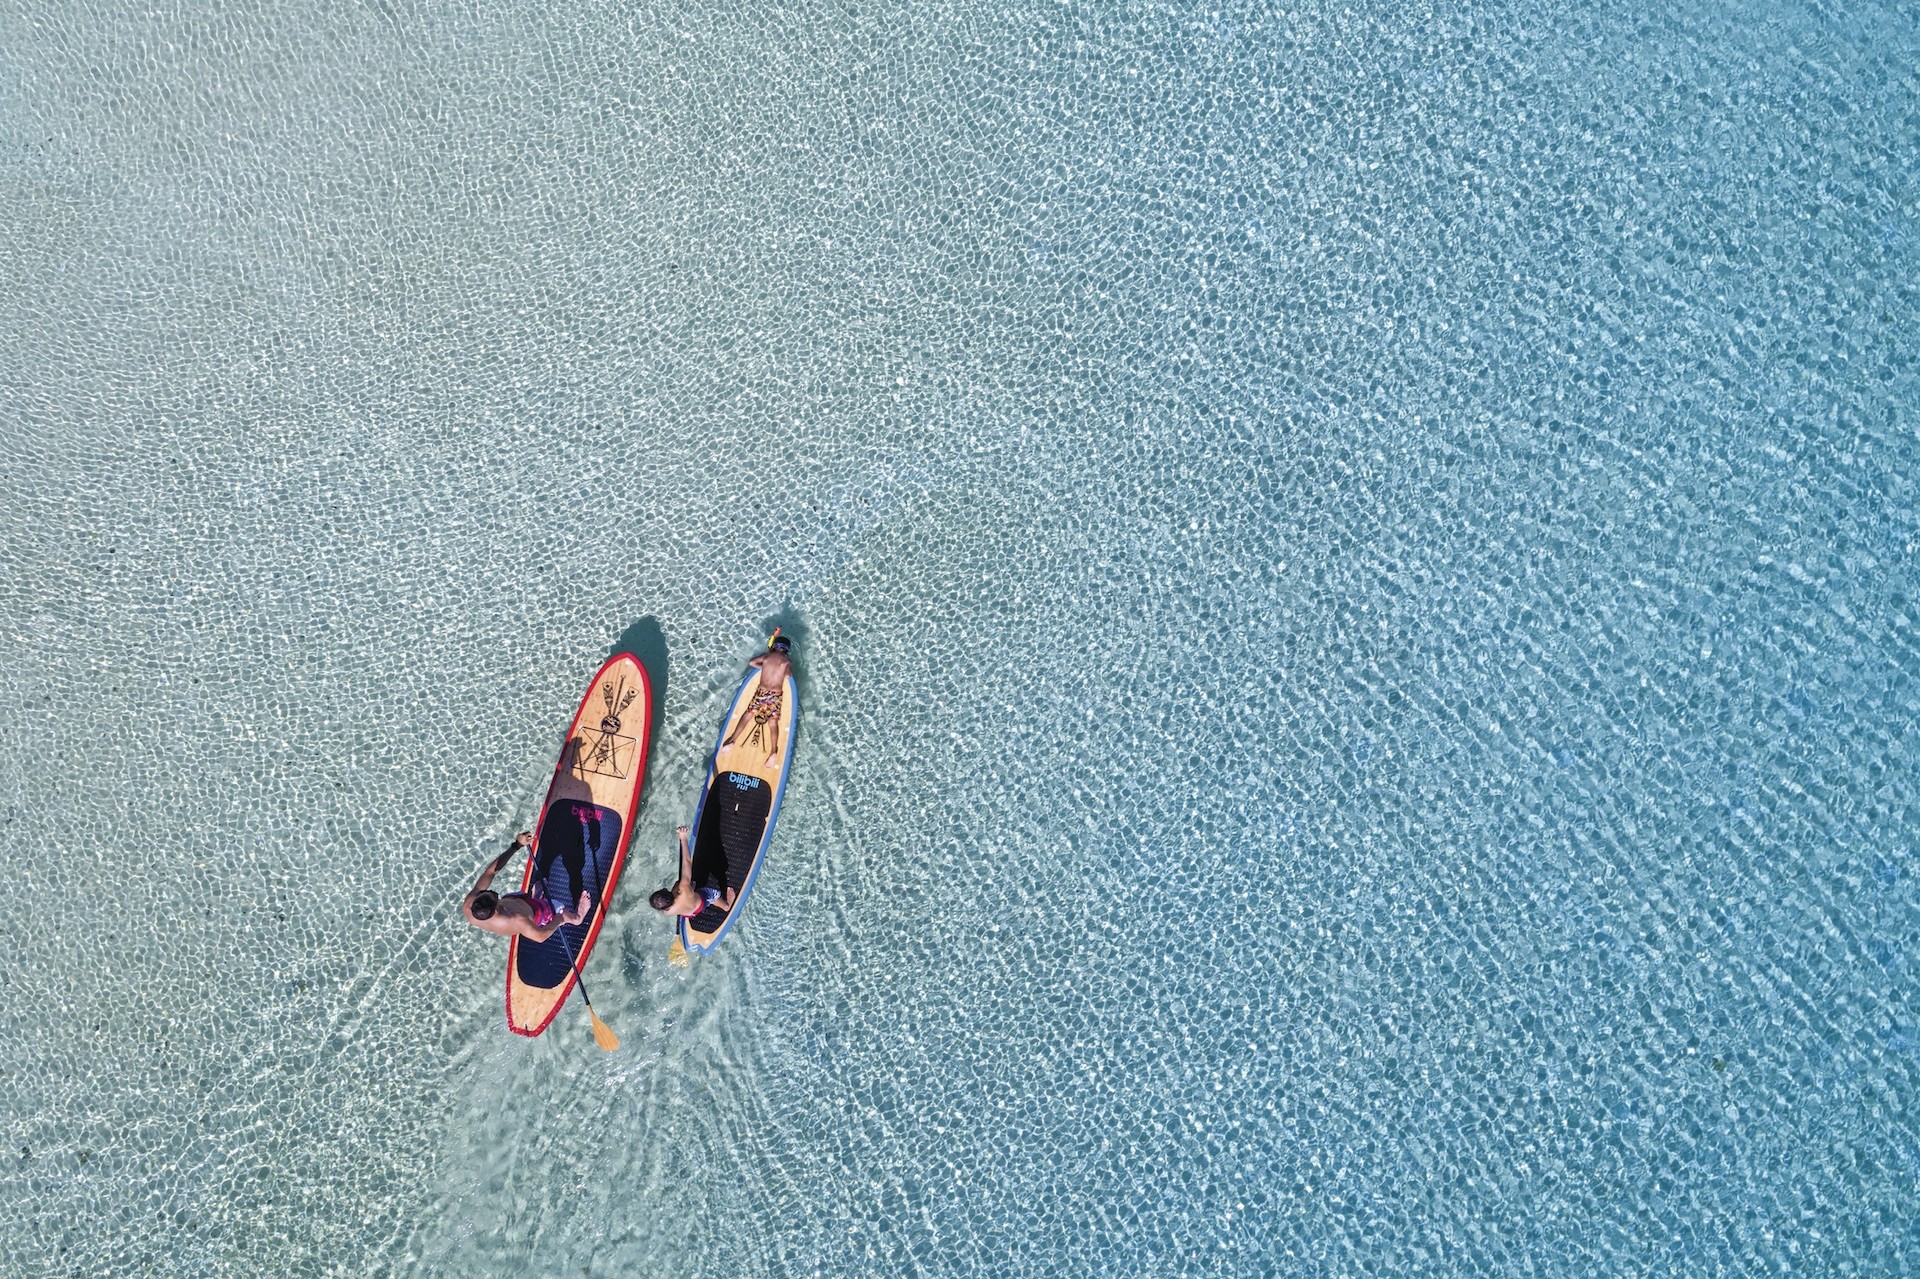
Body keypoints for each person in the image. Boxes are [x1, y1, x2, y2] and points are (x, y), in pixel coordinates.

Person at [463, 831, 592, 941]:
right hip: (536, 912)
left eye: (487, 891)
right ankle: (576, 918)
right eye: (494, 895)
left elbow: (491, 872)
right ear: (496, 909)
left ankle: (534, 898)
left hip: (514, 902)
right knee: (560, 911)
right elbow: (540, 937)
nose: (493, 891)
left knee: (515, 897)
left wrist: (516, 846)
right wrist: (558, 920)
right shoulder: (516, 919)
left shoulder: (469, 905)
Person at [722, 634, 794, 765]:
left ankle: (732, 740)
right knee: (773, 722)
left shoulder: (766, 656)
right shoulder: (786, 661)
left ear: (774, 647)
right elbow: (788, 676)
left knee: (748, 715)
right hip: (775, 695)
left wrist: (765, 666)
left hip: (761, 692)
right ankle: (773, 751)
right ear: (786, 650)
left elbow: (751, 662)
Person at [649, 825, 735, 917]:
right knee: (712, 896)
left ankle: (692, 889)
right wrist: (683, 838)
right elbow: (687, 862)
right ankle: (726, 906)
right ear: (665, 890)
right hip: (701, 902)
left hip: (690, 913)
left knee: (682, 885)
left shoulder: (668, 912)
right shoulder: (684, 887)